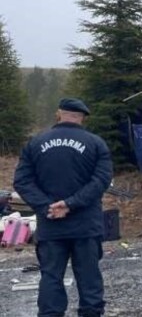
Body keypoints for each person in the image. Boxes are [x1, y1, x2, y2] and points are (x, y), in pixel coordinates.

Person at [13, 98, 112, 317]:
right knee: (89, 278)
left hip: (50, 224)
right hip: (86, 226)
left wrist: (46, 206)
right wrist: (70, 204)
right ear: (82, 117)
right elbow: (101, 181)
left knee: (51, 277)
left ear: (59, 114)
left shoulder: (35, 143)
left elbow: (21, 181)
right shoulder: (96, 143)